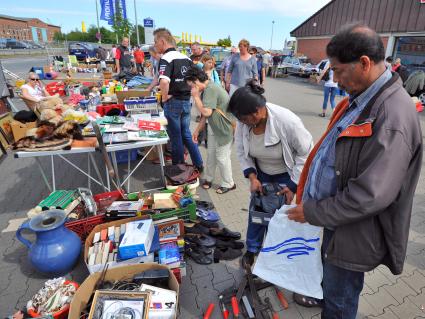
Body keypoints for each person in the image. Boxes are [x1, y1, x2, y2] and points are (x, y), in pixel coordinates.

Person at [287, 24, 423, 318]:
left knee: (340, 301)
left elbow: (370, 195)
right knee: (332, 291)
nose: (334, 79)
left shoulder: (390, 115)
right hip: (336, 220)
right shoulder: (364, 99)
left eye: (338, 71)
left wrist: (312, 212)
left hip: (353, 231)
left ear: (363, 63)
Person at [228, 79, 313, 266]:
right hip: (261, 174)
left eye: (244, 119)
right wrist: (252, 177)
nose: (242, 124)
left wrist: (292, 185)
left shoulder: (288, 121)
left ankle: (278, 253)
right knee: (257, 213)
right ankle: (252, 249)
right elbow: (241, 151)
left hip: (287, 174)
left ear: (257, 111)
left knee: (282, 217)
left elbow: (306, 153)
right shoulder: (244, 123)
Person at [154, 27, 203, 171]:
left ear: (163, 42)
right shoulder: (186, 58)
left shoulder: (166, 58)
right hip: (186, 101)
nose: (155, 45)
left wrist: (164, 97)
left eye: (156, 42)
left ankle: (179, 167)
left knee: (176, 137)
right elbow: (195, 81)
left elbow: (163, 82)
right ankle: (198, 163)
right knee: (186, 134)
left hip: (174, 102)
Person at [185, 66, 236, 194]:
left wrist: (195, 97)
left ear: (196, 81)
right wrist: (197, 131)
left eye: (191, 86)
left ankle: (229, 183)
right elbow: (205, 114)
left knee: (222, 157)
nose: (191, 89)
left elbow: (206, 112)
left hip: (224, 129)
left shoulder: (211, 89)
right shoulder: (209, 88)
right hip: (215, 128)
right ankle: (209, 178)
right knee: (211, 155)